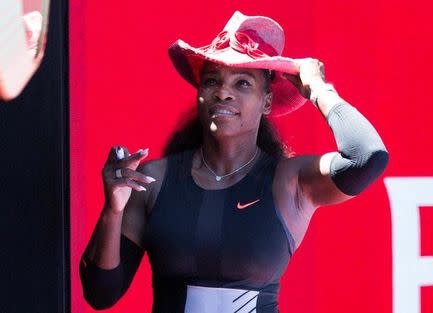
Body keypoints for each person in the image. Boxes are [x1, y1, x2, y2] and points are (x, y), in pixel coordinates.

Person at [79, 11, 389, 313]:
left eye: (242, 83)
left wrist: (319, 89)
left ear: (266, 101)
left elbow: (367, 157)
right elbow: (100, 294)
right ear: (200, 92)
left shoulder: (289, 181)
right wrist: (113, 210)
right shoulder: (153, 181)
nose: (223, 93)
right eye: (213, 81)